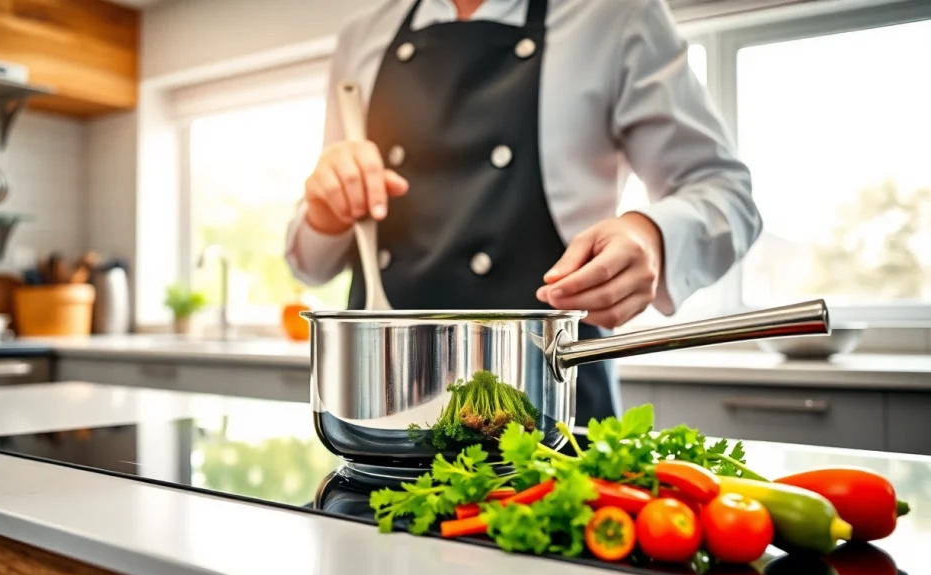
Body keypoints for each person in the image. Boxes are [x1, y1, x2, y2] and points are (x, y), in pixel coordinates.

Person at [284, 0, 762, 425]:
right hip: (384, 404)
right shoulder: (362, 36)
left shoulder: (616, 15)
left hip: (548, 400)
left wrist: (651, 235)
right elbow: (310, 264)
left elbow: (727, 193)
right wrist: (327, 211)